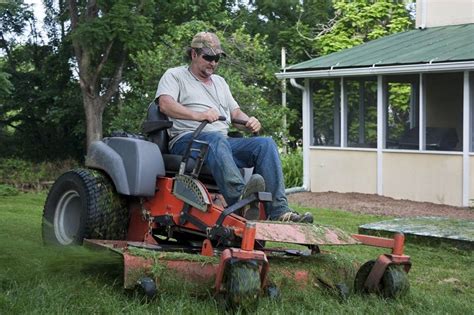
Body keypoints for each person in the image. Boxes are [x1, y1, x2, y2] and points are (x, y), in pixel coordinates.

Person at [155, 31, 313, 223]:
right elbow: (165, 104)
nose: (213, 63)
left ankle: (279, 211)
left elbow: (235, 113)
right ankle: (241, 202)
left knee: (266, 144)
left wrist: (249, 121)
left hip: (221, 143)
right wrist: (199, 115)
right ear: (193, 54)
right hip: (187, 142)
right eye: (208, 57)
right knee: (216, 140)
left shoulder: (220, 83)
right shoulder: (175, 75)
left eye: (217, 58)